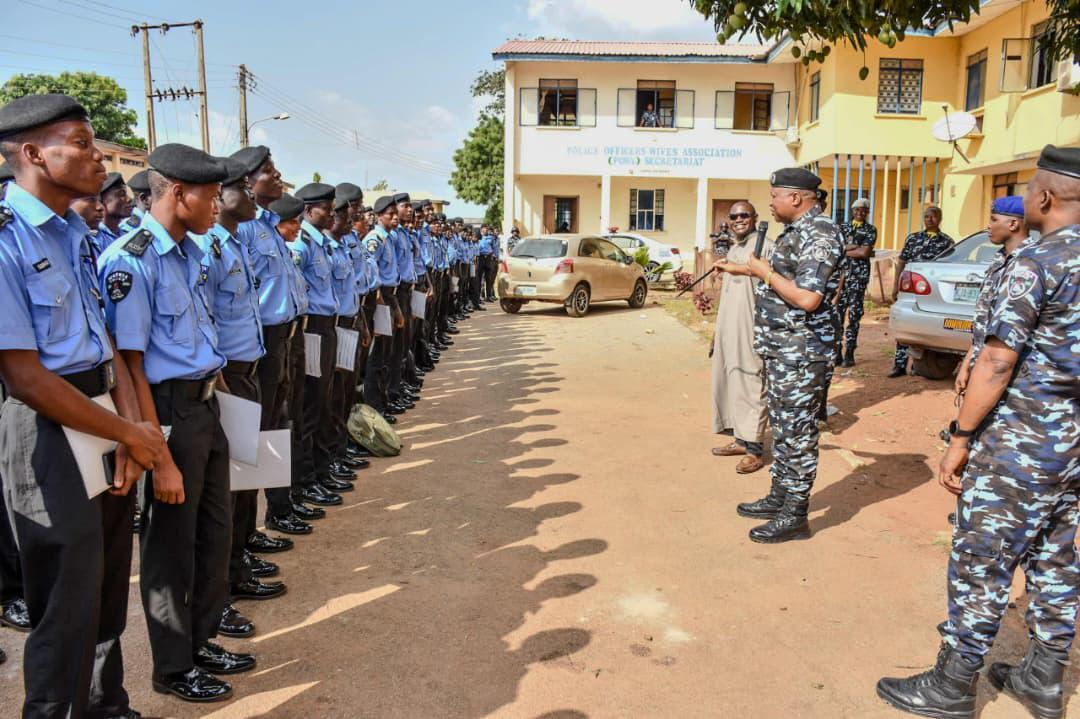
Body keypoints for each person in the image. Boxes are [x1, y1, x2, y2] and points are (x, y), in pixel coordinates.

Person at [876, 147, 1079, 719]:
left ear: (1042, 197)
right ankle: (1044, 674)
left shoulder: (1036, 263)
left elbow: (996, 361)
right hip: (1074, 443)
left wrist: (961, 437)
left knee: (983, 557)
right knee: (1056, 553)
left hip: (1023, 439)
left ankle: (952, 683)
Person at [0, 92, 166, 719]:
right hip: (47, 427)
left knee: (102, 586)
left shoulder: (78, 233)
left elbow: (109, 350)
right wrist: (126, 428)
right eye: (83, 142)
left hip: (100, 414)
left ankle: (105, 702)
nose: (98, 158)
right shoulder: (6, 240)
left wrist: (132, 430)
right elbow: (24, 377)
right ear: (36, 153)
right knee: (64, 602)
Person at [98, 143, 249, 702]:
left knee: (215, 531)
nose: (216, 206)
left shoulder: (190, 253)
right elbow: (128, 366)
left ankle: (202, 637)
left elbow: (202, 336)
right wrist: (156, 455)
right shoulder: (131, 259)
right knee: (169, 545)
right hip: (165, 412)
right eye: (210, 195)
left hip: (205, 404)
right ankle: (171, 664)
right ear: (178, 193)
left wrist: (222, 400)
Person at [194, 158, 285, 624]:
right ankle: (225, 576)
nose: (257, 192)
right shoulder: (212, 246)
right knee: (228, 485)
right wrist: (225, 379)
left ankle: (243, 550)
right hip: (227, 373)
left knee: (253, 464)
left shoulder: (244, 234)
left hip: (255, 360)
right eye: (251, 184)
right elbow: (206, 317)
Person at [732, 168, 842, 544]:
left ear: (795, 198)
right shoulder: (797, 232)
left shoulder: (821, 233)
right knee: (783, 429)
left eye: (775, 195)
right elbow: (787, 277)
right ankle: (780, 496)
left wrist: (763, 273)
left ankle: (796, 514)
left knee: (798, 433)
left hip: (803, 350)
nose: (770, 202)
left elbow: (808, 298)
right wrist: (745, 269)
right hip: (783, 348)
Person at [232, 146, 318, 537]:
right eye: (268, 170)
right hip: (260, 342)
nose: (278, 174)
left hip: (284, 337)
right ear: (247, 182)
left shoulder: (267, 226)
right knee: (250, 438)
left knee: (275, 427)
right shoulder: (244, 230)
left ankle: (278, 510)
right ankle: (246, 534)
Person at [289, 183, 352, 501]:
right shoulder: (300, 246)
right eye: (326, 208)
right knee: (312, 406)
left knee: (326, 400)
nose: (331, 213)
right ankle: (307, 478)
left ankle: (323, 468)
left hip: (327, 327)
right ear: (308, 210)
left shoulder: (322, 245)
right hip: (311, 329)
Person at [709, 201, 772, 475]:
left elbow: (770, 277)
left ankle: (754, 449)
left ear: (755, 217)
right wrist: (716, 331)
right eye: (733, 216)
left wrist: (739, 269)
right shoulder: (735, 247)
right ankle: (740, 439)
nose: (738, 220)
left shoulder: (765, 245)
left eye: (744, 215)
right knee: (731, 380)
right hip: (728, 327)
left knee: (751, 382)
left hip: (751, 326)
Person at [889, 206, 953, 377]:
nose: (929, 219)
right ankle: (899, 365)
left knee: (926, 326)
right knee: (905, 324)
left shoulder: (947, 241)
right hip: (910, 288)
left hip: (931, 292)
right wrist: (896, 285)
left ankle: (918, 366)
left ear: (940, 218)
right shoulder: (913, 238)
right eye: (926, 216)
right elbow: (901, 262)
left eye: (933, 216)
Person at [363, 195, 403, 422]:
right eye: (390, 214)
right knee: (377, 356)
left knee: (387, 353)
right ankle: (374, 405)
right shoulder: (374, 239)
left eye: (395, 213)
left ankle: (383, 399)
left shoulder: (388, 238)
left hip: (390, 297)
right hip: (379, 299)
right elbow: (372, 273)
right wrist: (381, 306)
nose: (395, 217)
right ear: (379, 216)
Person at [837, 198, 877, 367]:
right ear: (852, 211)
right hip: (840, 279)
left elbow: (865, 253)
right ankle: (837, 353)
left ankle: (850, 353)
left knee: (854, 316)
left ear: (867, 212)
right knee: (837, 315)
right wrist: (853, 248)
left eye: (863, 210)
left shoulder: (870, 229)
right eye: (857, 210)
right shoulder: (842, 228)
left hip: (858, 279)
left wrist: (847, 248)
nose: (860, 213)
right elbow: (836, 249)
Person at [94, 172, 132, 255]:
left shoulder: (127, 235)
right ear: (102, 200)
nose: (129, 199)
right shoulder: (95, 239)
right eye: (121, 194)